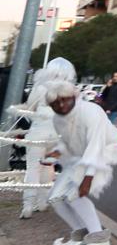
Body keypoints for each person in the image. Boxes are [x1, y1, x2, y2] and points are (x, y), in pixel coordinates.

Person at [45, 79, 117, 245]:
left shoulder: (91, 111)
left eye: (64, 99)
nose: (61, 105)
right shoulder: (57, 119)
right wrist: (58, 151)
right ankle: (81, 233)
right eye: (55, 103)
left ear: (73, 96)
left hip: (107, 150)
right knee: (55, 198)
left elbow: (96, 145)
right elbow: (68, 141)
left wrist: (87, 178)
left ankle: (99, 238)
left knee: (75, 194)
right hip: (81, 155)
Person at [14, 58, 72, 218]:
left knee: (33, 168)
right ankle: (43, 201)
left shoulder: (40, 87)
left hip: (38, 130)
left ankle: (28, 205)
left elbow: (30, 107)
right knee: (48, 167)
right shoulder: (70, 90)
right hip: (57, 134)